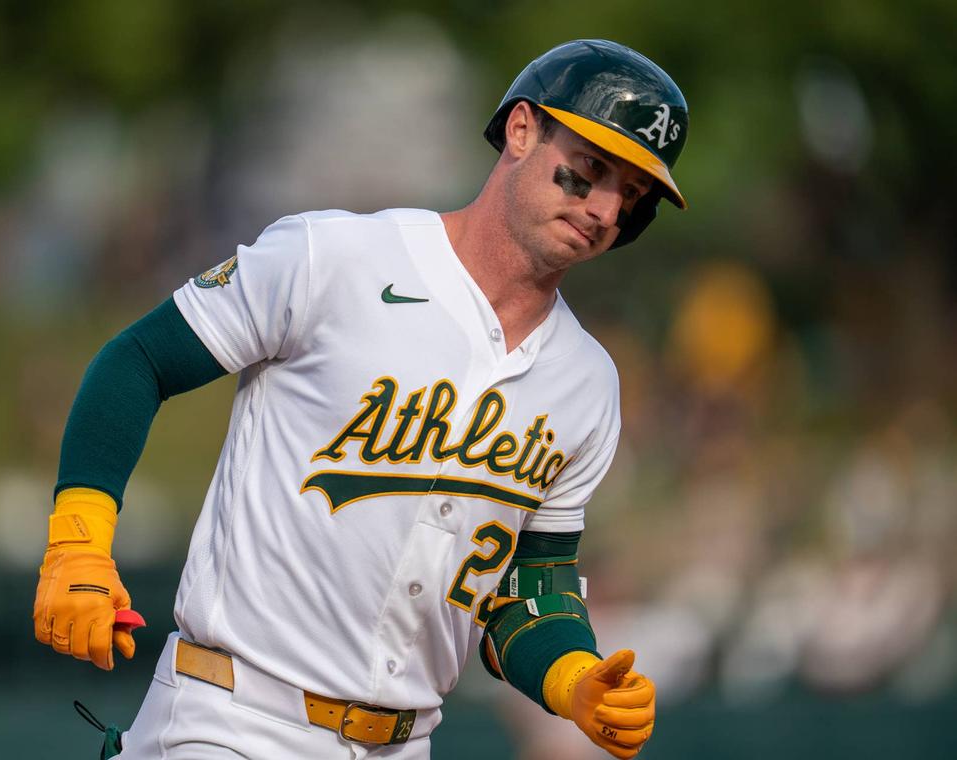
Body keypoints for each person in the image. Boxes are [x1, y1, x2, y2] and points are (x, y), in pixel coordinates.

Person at [33, 38, 689, 759]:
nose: (601, 208)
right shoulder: (336, 259)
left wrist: (573, 679)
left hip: (406, 741)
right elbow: (140, 361)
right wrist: (79, 543)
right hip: (233, 718)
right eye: (590, 171)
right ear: (522, 129)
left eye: (628, 195)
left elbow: (529, 587)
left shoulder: (587, 382)